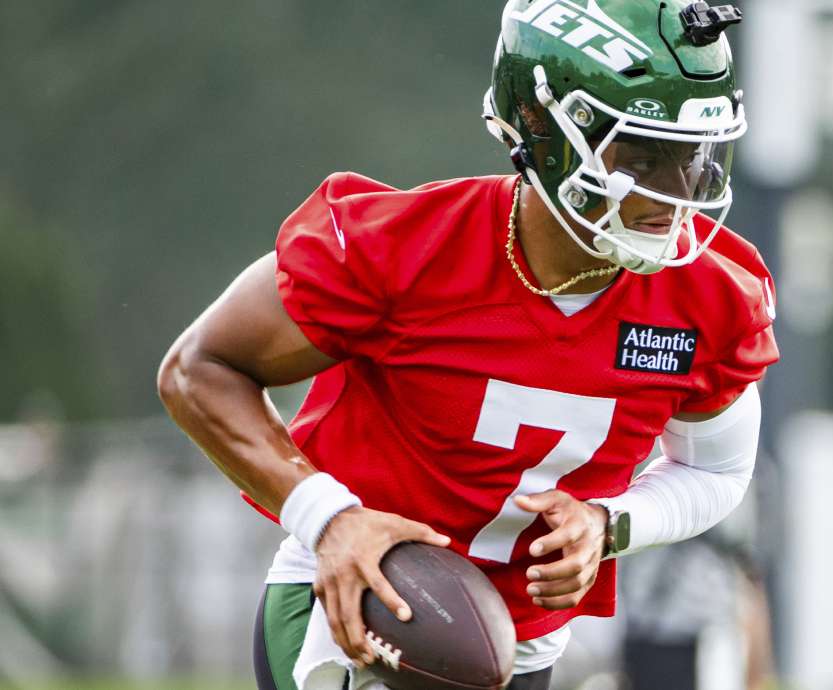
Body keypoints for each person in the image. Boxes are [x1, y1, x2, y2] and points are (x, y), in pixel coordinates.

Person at [157, 1, 776, 688]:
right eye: (641, 156)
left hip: (524, 649)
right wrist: (331, 520)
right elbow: (197, 369)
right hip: (353, 618)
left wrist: (610, 523)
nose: (676, 193)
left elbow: (717, 471)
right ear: (542, 130)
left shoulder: (710, 297)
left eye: (692, 157)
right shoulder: (405, 248)